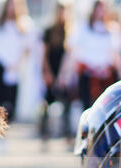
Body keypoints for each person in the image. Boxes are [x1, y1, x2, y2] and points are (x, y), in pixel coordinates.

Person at [0, 0, 36, 121]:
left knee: (12, 100)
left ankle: (8, 123)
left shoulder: (24, 25)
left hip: (15, 68)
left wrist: (17, 64)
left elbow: (27, 48)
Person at [69, 0, 121, 109]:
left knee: (106, 106)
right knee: (86, 106)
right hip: (87, 74)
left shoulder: (112, 29)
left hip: (106, 76)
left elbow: (116, 54)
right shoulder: (83, 27)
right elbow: (73, 50)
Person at [39, 1, 74, 145]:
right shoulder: (49, 31)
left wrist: (63, 75)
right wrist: (46, 72)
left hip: (63, 72)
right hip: (52, 70)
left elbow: (71, 55)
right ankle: (44, 132)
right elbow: (44, 54)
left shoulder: (71, 32)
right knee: (47, 102)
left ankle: (66, 133)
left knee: (66, 104)